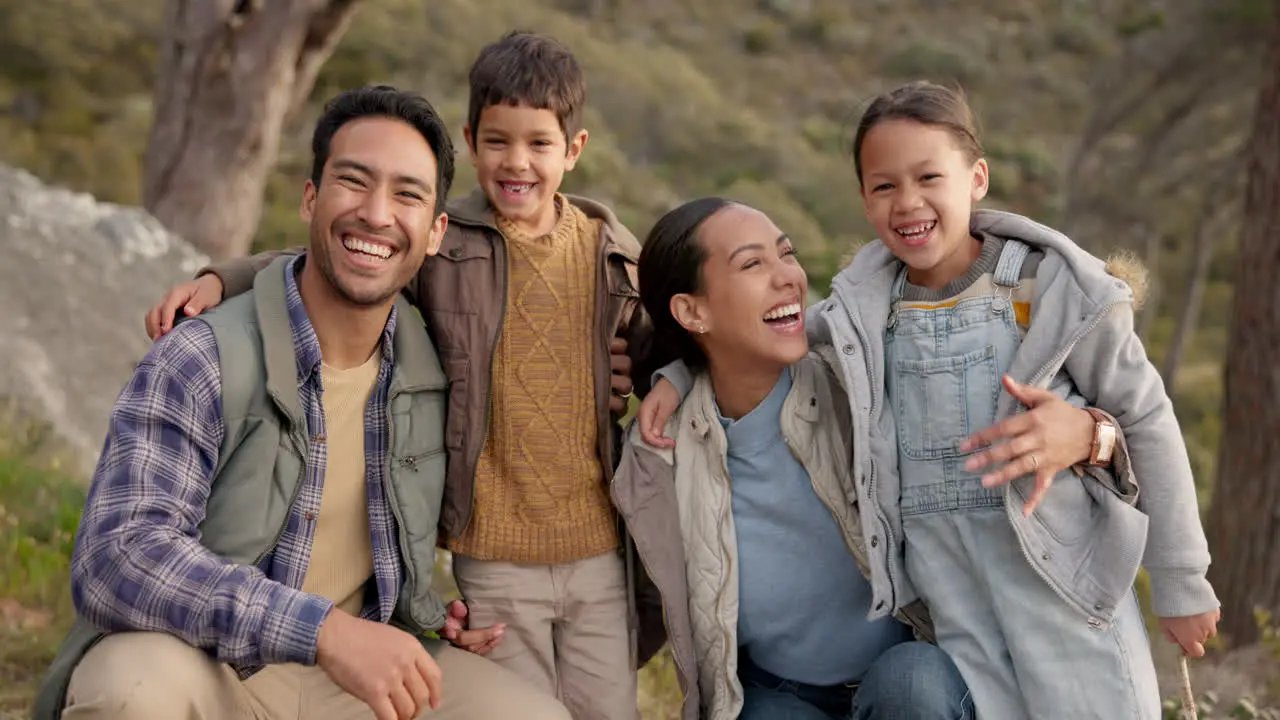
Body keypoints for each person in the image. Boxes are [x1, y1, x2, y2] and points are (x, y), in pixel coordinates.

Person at [639, 81, 1220, 719]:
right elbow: (771, 335)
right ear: (863, 199)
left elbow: (1147, 417)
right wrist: (679, 371)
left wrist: (1181, 579)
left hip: (1060, 585)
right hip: (953, 602)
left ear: (976, 178)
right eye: (884, 186)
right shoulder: (864, 311)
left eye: (928, 177)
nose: (907, 202)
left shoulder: (1048, 287)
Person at [140, 31, 653, 720]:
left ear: (575, 149)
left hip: (596, 544)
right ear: (472, 141)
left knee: (608, 707)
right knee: (531, 707)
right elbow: (322, 260)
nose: (517, 162)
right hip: (495, 548)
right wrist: (220, 278)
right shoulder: (445, 249)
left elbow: (659, 341)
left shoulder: (610, 253)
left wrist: (663, 380)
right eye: (498, 142)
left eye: (539, 144)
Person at [33, 85, 570, 720]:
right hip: (209, 662)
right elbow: (118, 555)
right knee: (129, 690)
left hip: (355, 679)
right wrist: (321, 630)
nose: (376, 213)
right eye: (353, 181)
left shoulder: (439, 360)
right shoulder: (202, 355)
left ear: (434, 232)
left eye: (408, 195)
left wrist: (431, 616)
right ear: (310, 198)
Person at [616, 196, 981, 720]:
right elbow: (643, 592)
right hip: (780, 694)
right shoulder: (660, 453)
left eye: (785, 253)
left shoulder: (853, 380)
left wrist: (1090, 431)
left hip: (907, 666)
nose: (787, 276)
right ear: (692, 311)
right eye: (752, 264)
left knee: (912, 687)